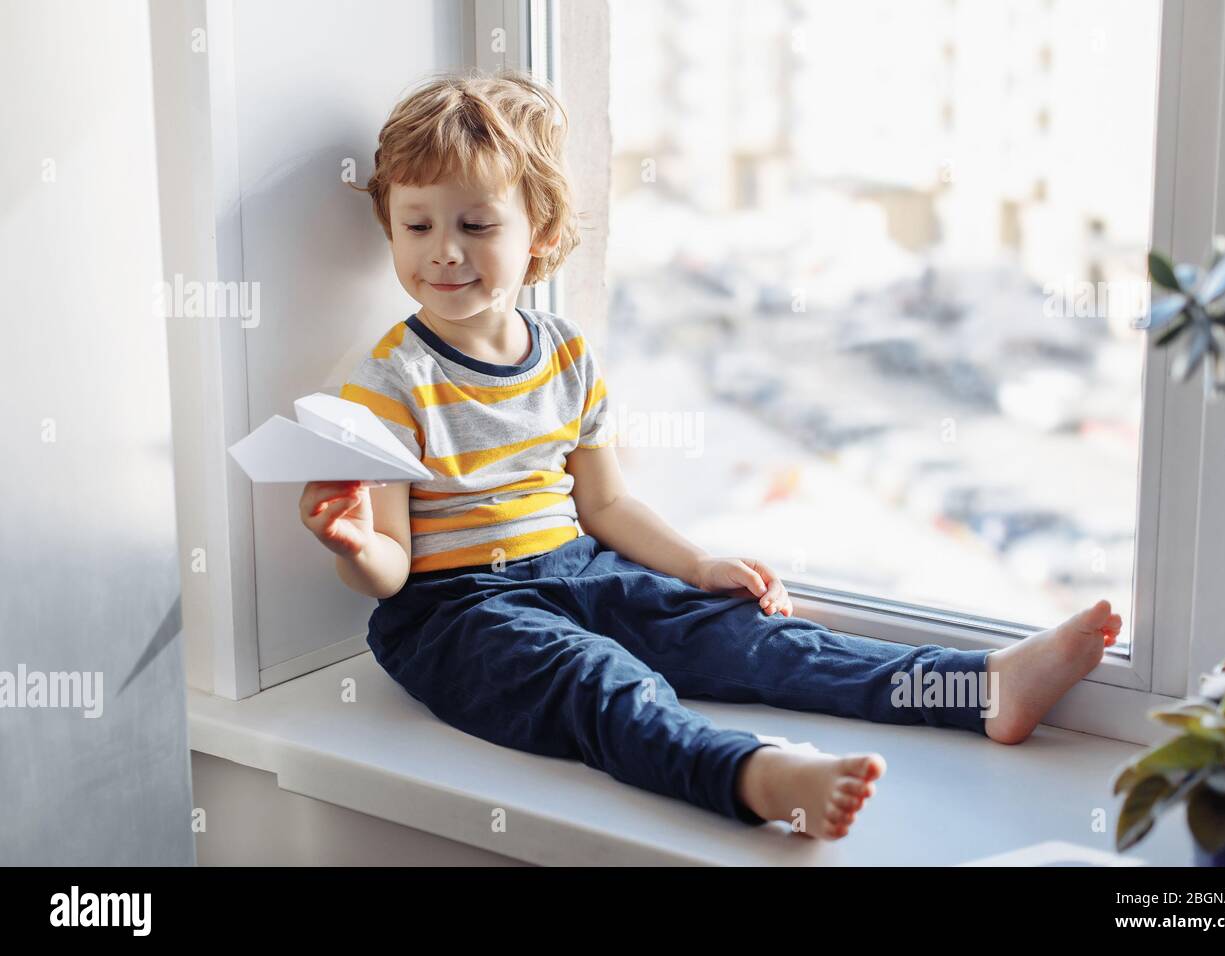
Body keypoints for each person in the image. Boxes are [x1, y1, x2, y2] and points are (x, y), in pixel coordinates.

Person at [299, 69, 1122, 840]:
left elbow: (608, 506)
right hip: (457, 613)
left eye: (475, 225)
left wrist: (697, 566)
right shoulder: (389, 382)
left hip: (577, 567)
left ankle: (980, 688)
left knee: (752, 635)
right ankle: (755, 777)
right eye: (418, 225)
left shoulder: (565, 354)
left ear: (540, 232)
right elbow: (394, 574)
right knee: (598, 683)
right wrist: (356, 544)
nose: (443, 250)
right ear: (392, 227)